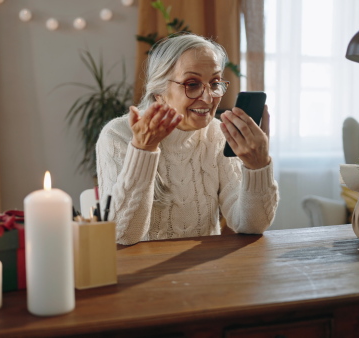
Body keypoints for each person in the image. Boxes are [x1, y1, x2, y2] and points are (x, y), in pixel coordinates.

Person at [96, 33, 279, 245]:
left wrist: (258, 166)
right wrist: (143, 150)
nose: (208, 97)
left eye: (215, 83)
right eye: (192, 84)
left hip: (203, 270)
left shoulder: (217, 134)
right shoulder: (118, 135)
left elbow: (251, 225)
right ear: (159, 92)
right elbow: (123, 235)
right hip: (140, 270)